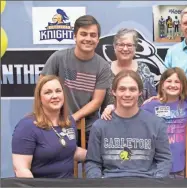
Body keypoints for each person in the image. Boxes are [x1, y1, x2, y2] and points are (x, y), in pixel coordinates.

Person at [85, 70, 172, 178]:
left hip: (146, 183)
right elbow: (92, 163)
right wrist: (99, 184)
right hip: (110, 183)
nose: (127, 94)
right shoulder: (99, 126)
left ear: (140, 92)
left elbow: (164, 161)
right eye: (122, 89)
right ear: (113, 92)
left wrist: (156, 183)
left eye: (132, 89)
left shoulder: (157, 124)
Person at [40, 15, 111, 143]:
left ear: (98, 40)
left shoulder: (103, 66)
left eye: (92, 35)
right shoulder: (58, 58)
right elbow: (41, 88)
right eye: (83, 34)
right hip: (56, 122)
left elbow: (97, 101)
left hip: (89, 127)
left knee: (93, 161)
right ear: (75, 36)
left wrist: (72, 119)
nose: (88, 39)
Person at [12, 75, 87, 178]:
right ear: (39, 98)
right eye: (48, 92)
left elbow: (70, 149)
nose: (55, 96)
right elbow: (21, 169)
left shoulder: (69, 122)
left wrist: (99, 155)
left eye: (58, 91)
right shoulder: (26, 126)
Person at [100, 28, 156, 114]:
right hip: (110, 123)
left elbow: (152, 100)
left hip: (139, 122)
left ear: (135, 48)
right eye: (121, 45)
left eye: (129, 45)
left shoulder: (144, 69)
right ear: (114, 47)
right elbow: (97, 100)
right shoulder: (105, 69)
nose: (125, 49)